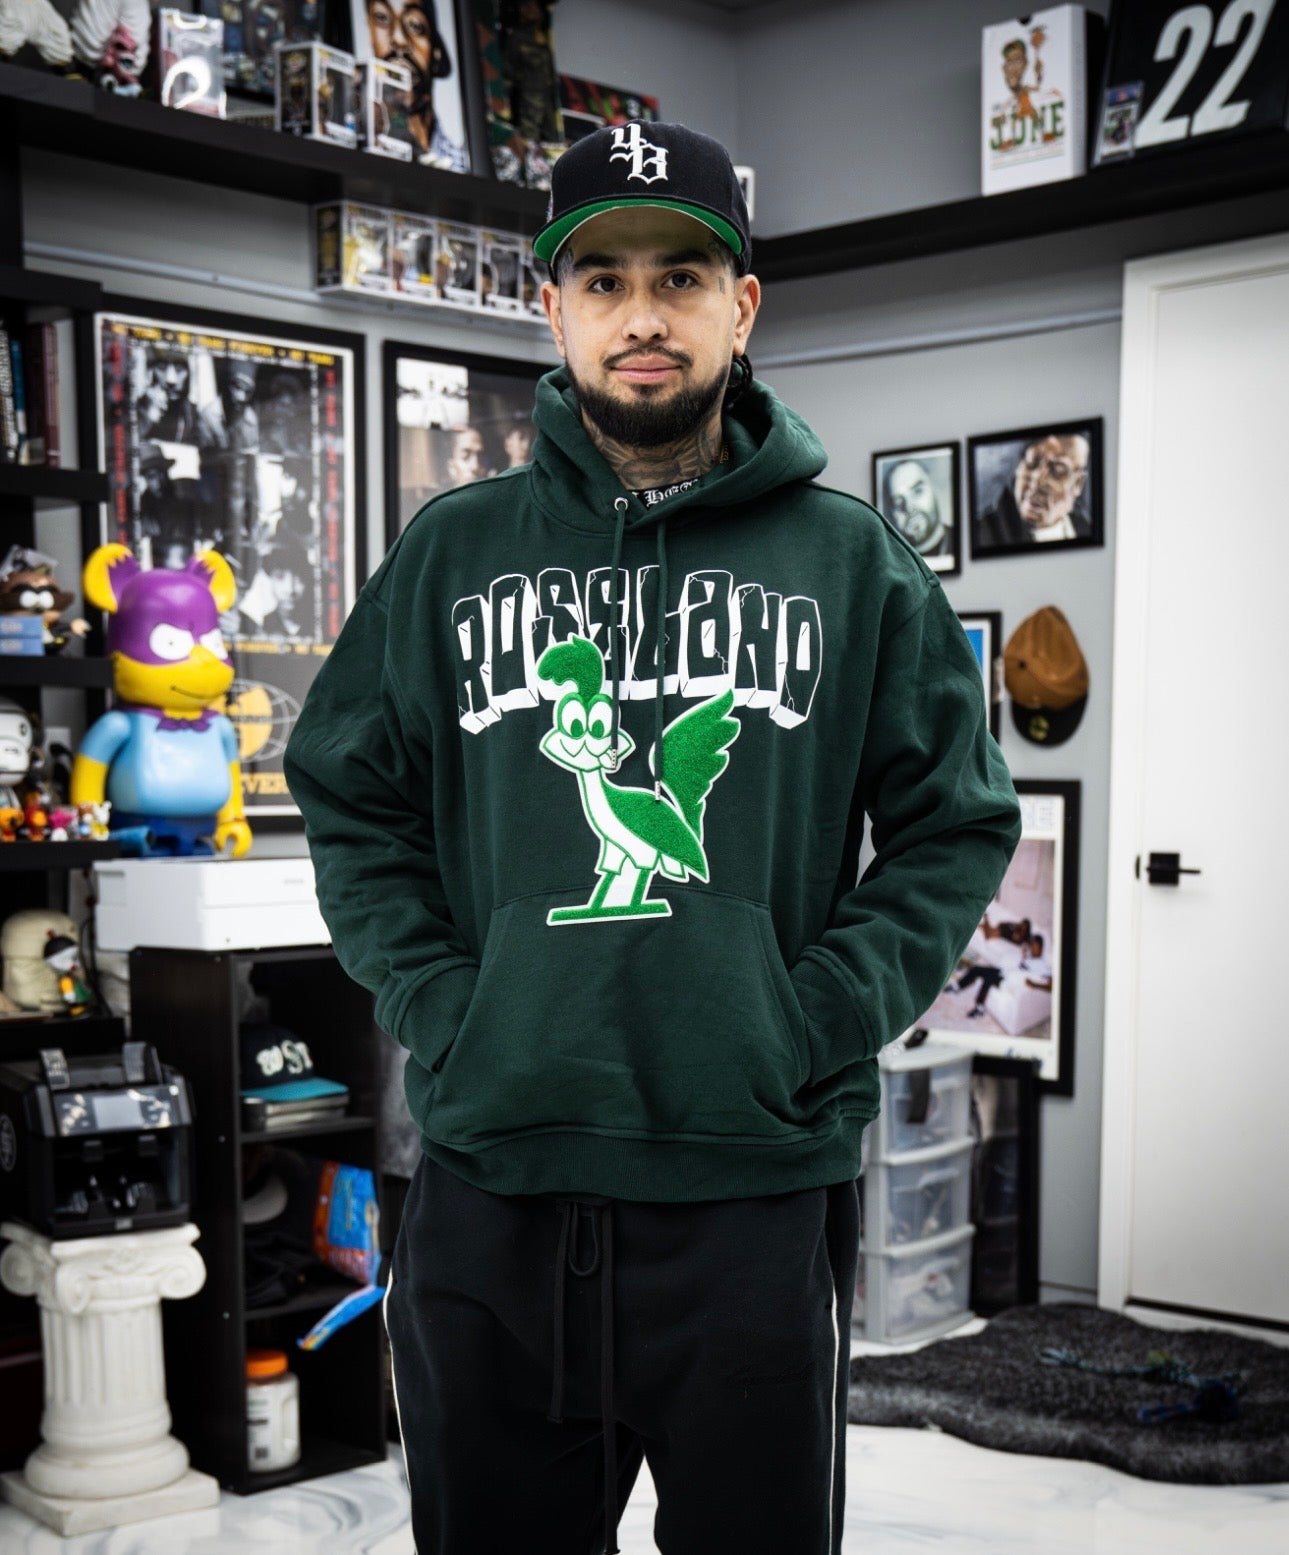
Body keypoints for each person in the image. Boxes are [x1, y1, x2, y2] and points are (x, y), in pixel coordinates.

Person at [284, 121, 1020, 1555]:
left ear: (741, 307)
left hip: (750, 1186)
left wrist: (813, 1013)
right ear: (550, 309)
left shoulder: (853, 561)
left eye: (679, 277)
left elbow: (956, 820)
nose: (641, 315)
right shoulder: (449, 552)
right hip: (494, 1174)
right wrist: (443, 1001)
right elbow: (349, 793)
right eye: (603, 279)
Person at [976, 431, 1092, 548]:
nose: (1037, 480)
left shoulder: (1086, 529)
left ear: (1078, 484)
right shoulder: (985, 533)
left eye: (1057, 470)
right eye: (1032, 462)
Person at [881, 455, 950, 558]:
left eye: (917, 491)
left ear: (933, 490)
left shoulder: (960, 540)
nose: (909, 508)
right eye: (898, 503)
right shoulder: (889, 560)